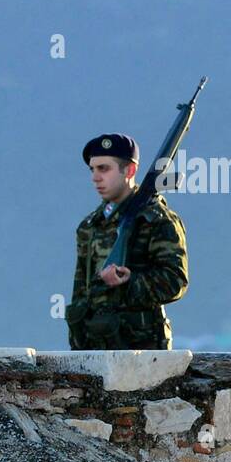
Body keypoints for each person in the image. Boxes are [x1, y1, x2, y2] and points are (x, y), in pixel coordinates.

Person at [66, 133, 188, 349]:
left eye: (104, 168)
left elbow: (175, 281)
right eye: (92, 169)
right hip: (95, 346)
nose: (95, 177)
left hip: (142, 350)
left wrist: (131, 281)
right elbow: (81, 291)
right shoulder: (89, 226)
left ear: (130, 170)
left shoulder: (156, 220)